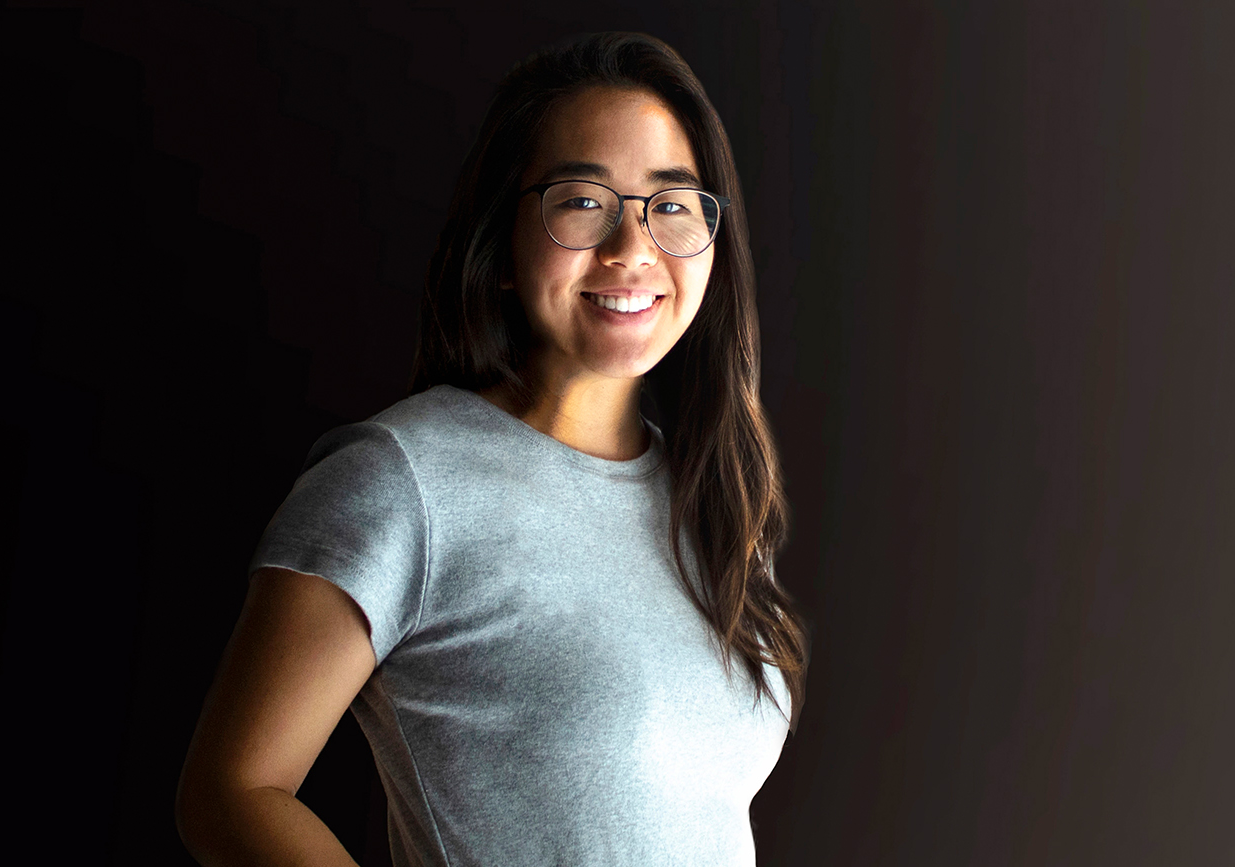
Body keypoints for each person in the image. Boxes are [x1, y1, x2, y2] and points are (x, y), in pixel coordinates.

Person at [176, 31, 808, 867]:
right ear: (502, 244)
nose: (632, 249)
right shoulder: (405, 480)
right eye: (584, 200)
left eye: (673, 203)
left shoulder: (714, 501)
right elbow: (232, 788)